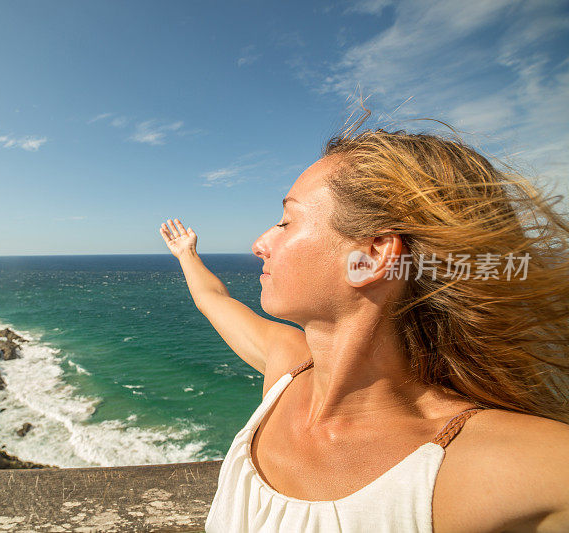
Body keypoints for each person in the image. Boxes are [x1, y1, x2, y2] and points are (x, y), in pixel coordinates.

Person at [159, 123, 569, 532]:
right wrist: (186, 253)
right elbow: (214, 300)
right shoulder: (288, 369)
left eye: (286, 222)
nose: (260, 243)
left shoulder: (496, 462)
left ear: (372, 257)